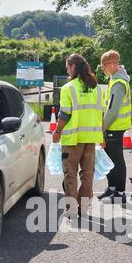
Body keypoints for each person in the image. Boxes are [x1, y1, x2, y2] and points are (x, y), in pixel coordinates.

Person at [53, 53, 104, 218]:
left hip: (73, 139)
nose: (67, 70)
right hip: (91, 139)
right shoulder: (96, 88)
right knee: (87, 175)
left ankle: (72, 210)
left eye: (67, 66)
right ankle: (84, 208)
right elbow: (100, 114)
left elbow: (64, 114)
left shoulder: (68, 88)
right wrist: (101, 137)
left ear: (73, 67)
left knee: (70, 175)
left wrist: (57, 131)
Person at [98, 50, 131, 205]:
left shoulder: (118, 83)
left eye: (104, 66)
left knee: (117, 160)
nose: (102, 69)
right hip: (112, 127)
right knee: (109, 158)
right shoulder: (114, 79)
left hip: (115, 127)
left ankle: (120, 193)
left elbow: (112, 111)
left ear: (112, 65)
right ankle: (112, 189)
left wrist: (101, 129)